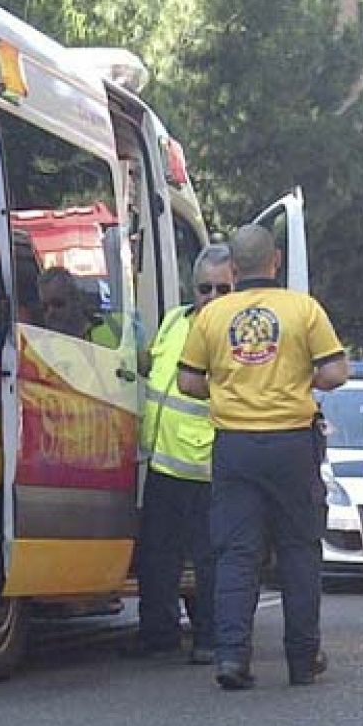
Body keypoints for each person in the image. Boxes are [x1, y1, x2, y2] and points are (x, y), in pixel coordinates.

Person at [178, 224, 349, 689]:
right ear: (275, 261)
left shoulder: (212, 317)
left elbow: (188, 382)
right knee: (298, 551)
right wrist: (295, 382)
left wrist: (234, 388)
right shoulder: (303, 309)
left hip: (235, 447)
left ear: (233, 267)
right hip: (292, 445)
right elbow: (335, 372)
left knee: (236, 553)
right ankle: (302, 659)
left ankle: (231, 657)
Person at [124, 245, 234, 663]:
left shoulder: (235, 335)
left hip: (207, 466)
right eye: (205, 288)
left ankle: (208, 639)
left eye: (222, 289)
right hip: (163, 462)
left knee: (208, 560)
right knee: (157, 557)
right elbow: (153, 365)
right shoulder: (175, 320)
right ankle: (158, 635)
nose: (212, 297)